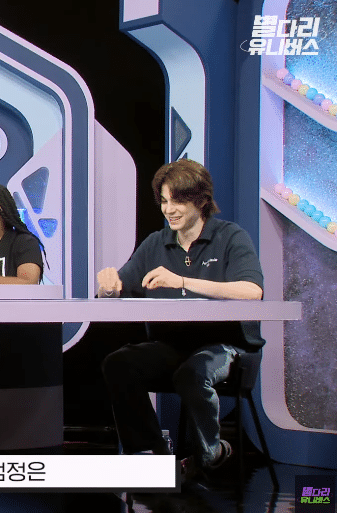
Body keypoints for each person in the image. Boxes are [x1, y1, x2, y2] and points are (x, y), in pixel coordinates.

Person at [97, 159, 264, 478]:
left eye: (178, 201)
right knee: (119, 363)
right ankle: (153, 456)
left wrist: (183, 281)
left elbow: (251, 291)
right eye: (164, 201)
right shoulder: (155, 243)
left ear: (201, 201)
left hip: (226, 347)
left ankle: (212, 454)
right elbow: (120, 287)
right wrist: (108, 286)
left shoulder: (230, 236)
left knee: (193, 372)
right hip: (172, 345)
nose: (169, 210)